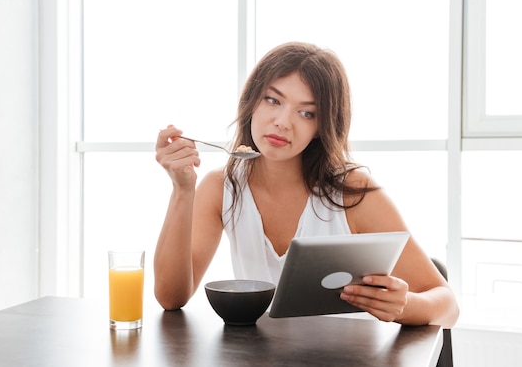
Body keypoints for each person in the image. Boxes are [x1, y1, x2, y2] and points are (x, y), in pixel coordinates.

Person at [154, 42, 459, 327]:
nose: (283, 122)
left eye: (306, 113)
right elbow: (171, 298)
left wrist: (403, 305)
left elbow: (447, 306)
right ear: (252, 103)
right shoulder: (222, 187)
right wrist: (182, 189)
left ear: (321, 126)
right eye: (273, 100)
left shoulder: (353, 192)